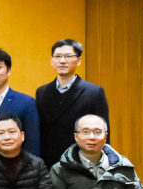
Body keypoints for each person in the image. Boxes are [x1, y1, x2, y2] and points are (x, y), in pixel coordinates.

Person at [35, 39, 110, 169]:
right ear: (52, 61)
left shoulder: (94, 92)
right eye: (58, 56)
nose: (62, 61)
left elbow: (102, 132)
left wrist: (102, 165)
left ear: (78, 60)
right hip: (48, 162)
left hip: (81, 163)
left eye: (68, 56)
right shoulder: (42, 92)